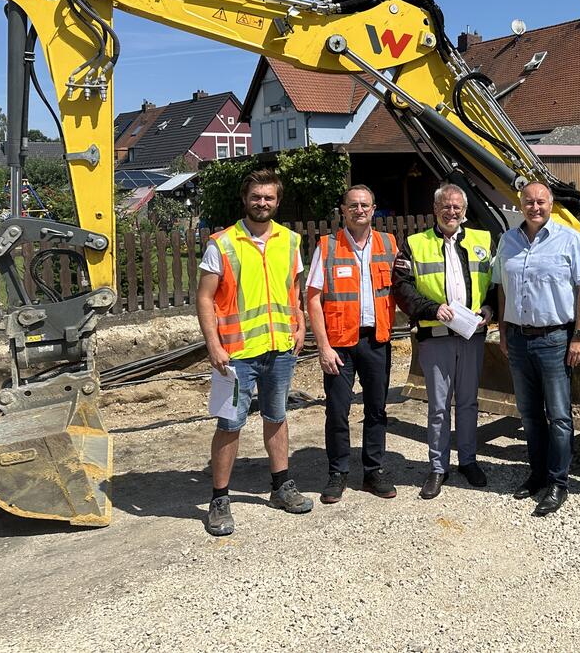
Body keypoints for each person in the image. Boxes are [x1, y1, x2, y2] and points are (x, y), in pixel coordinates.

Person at [196, 169, 311, 536]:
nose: (263, 203)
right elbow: (204, 297)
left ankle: (281, 486)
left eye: (269, 198)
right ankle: (219, 499)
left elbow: (294, 290)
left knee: (276, 417)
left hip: (278, 348)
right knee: (230, 424)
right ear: (245, 199)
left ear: (277, 201)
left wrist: (301, 322)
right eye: (257, 197)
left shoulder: (290, 241)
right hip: (236, 354)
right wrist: (213, 344)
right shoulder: (224, 243)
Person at [493, 182, 580, 516]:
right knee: (529, 415)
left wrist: (579, 336)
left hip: (554, 339)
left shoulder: (569, 239)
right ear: (520, 205)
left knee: (559, 416)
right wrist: (504, 330)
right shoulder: (507, 241)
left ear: (551, 204)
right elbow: (502, 288)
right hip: (519, 340)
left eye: (541, 201)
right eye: (528, 202)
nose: (534, 207)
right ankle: (536, 474)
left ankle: (558, 482)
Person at [393, 183, 496, 500]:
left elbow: (495, 283)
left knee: (468, 402)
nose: (452, 212)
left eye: (457, 207)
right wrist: (433, 309)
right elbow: (402, 288)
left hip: (472, 336)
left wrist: (491, 308)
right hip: (434, 336)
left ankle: (468, 461)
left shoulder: (483, 241)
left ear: (464, 211)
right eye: (445, 207)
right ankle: (438, 468)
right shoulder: (414, 244)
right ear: (435, 209)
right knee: (438, 407)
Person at [306, 184, 398, 504]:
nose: (360, 210)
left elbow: (406, 289)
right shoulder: (327, 247)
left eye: (365, 205)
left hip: (376, 340)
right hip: (339, 345)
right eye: (353, 205)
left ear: (374, 210)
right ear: (343, 210)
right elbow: (313, 299)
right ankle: (338, 472)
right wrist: (323, 347)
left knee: (376, 410)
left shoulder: (389, 244)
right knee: (337, 411)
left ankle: (373, 471)